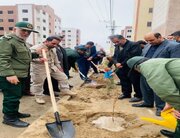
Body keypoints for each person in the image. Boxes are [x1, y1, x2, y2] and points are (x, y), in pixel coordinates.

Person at [127, 56, 180, 138]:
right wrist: (170, 103)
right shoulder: (156, 62)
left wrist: (178, 107)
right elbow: (175, 82)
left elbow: (167, 92)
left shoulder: (148, 67)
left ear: (136, 68)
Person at [0, 21, 39, 127]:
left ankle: (14, 113)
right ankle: (9, 118)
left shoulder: (21, 42)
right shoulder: (7, 41)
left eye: (29, 32)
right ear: (14, 29)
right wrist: (9, 74)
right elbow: (2, 59)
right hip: (11, 75)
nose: (26, 33)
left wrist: (36, 55)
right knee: (11, 97)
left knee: (17, 96)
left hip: (20, 75)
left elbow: (23, 56)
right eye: (23, 30)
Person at [132, 32, 180, 116]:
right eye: (147, 41)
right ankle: (147, 102)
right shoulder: (147, 46)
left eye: (151, 40)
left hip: (162, 72)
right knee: (145, 87)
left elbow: (175, 60)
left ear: (160, 37)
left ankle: (160, 107)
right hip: (146, 69)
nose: (150, 42)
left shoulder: (173, 46)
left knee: (159, 90)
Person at [30, 36, 76, 104]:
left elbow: (56, 59)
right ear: (46, 41)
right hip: (39, 68)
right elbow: (29, 58)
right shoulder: (35, 48)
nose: (55, 45)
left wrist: (59, 68)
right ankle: (38, 97)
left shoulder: (54, 48)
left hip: (52, 66)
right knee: (38, 83)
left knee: (63, 77)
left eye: (57, 44)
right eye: (53, 43)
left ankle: (65, 89)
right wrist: (39, 59)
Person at [109, 35, 142, 102]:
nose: (116, 44)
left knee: (135, 81)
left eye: (117, 42)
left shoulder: (134, 45)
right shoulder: (117, 47)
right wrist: (116, 63)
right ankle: (126, 93)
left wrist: (122, 64)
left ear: (123, 39)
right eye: (114, 43)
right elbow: (115, 56)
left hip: (131, 67)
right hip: (120, 67)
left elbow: (132, 56)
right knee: (124, 81)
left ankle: (138, 95)